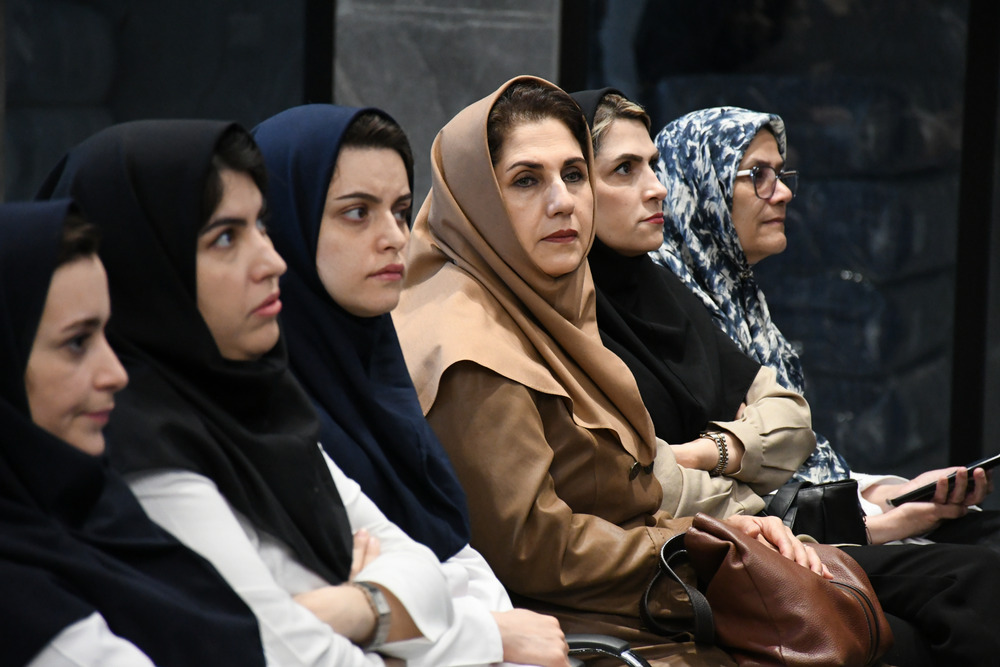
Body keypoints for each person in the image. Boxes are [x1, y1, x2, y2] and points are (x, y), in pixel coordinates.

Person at [393, 75, 830, 666]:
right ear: (477, 198)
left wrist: (722, 532)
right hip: (601, 625)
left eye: (574, 175)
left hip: (650, 594)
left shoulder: (554, 302)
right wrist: (703, 544)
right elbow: (538, 548)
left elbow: (642, 483)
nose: (562, 201)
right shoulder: (470, 344)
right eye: (526, 180)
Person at [38, 120, 453, 666]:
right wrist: (384, 615)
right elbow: (281, 653)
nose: (273, 260)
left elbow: (429, 574)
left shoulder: (261, 401)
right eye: (225, 237)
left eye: (261, 225)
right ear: (146, 262)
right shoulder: (139, 443)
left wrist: (353, 609)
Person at [252, 103, 570, 667]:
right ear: (283, 225)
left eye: (401, 211)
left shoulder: (376, 367)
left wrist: (393, 605)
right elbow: (293, 632)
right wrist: (472, 630)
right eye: (357, 213)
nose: (394, 237)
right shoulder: (260, 412)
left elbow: (451, 565)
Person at [652, 106, 1000, 548]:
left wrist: (891, 495)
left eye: (780, 174)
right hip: (788, 550)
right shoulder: (670, 316)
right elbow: (742, 496)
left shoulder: (740, 301)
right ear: (700, 186)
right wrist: (884, 525)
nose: (783, 193)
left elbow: (803, 463)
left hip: (831, 526)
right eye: (758, 174)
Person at [0, 200, 266, 666]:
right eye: (77, 343)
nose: (116, 374)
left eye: (106, 334)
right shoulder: (24, 604)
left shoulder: (93, 506)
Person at [571, 88, 815, 506]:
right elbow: (628, 485)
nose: (658, 188)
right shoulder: (567, 313)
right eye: (625, 169)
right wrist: (746, 467)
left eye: (653, 166)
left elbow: (795, 423)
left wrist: (701, 453)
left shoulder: (664, 291)